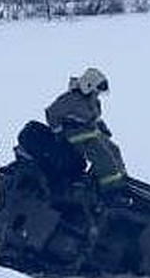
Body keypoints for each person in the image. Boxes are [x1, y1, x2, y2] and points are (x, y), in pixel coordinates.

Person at [44, 67, 127, 197]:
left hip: (90, 132)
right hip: (75, 134)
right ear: (88, 86)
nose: (98, 94)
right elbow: (51, 112)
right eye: (96, 90)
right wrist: (58, 131)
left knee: (114, 150)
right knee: (103, 156)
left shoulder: (93, 101)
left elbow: (95, 118)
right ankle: (110, 191)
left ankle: (120, 179)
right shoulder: (71, 99)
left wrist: (103, 128)